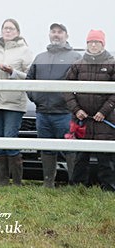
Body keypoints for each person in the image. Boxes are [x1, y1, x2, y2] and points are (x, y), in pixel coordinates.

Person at [26, 23, 82, 187]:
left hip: (65, 113)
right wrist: (35, 97)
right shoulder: (40, 57)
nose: (56, 35)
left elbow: (81, 83)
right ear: (49, 34)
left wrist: (72, 105)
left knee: (70, 150)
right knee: (46, 149)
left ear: (66, 35)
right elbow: (29, 80)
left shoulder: (75, 58)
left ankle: (74, 184)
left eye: (60, 32)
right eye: (53, 31)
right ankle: (48, 183)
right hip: (43, 113)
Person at [0, 18, 34, 186]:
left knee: (10, 138)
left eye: (11, 29)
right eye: (5, 28)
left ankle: (17, 182)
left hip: (13, 102)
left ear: (17, 32)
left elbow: (30, 76)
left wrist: (12, 72)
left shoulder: (25, 51)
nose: (8, 31)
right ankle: (3, 181)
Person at [63, 30, 115, 191]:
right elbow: (66, 89)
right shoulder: (78, 65)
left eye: (97, 42)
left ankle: (109, 189)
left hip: (104, 121)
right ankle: (77, 188)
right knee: (81, 156)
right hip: (82, 120)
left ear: (103, 44)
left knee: (105, 158)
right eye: (90, 42)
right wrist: (76, 110)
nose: (93, 45)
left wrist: (104, 111)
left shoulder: (112, 64)